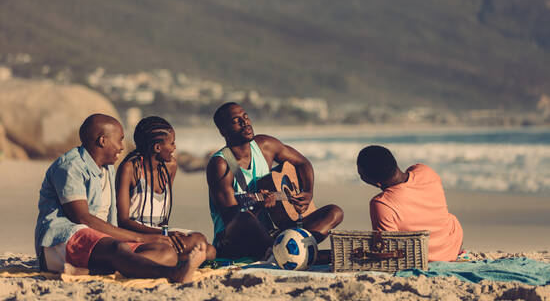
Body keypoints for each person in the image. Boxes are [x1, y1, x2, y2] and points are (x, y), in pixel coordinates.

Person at [34, 113, 205, 283]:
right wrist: (140, 237)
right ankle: (174, 274)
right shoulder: (71, 166)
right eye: (120, 139)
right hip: (63, 241)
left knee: (165, 253)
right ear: (103, 141)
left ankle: (86, 271)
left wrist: (149, 239)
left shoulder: (107, 168)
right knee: (118, 248)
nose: (122, 147)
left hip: (102, 241)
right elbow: (81, 218)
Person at [206, 102, 344, 259]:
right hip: (235, 241)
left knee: (334, 212)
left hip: (272, 234)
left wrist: (308, 192)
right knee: (244, 219)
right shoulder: (220, 164)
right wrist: (258, 206)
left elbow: (302, 163)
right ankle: (291, 252)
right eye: (236, 121)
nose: (245, 123)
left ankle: (284, 251)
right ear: (223, 130)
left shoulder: (266, 146)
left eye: (246, 117)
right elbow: (231, 219)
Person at [115, 116, 216, 261]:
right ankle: (166, 258)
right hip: (136, 235)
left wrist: (168, 235)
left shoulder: (170, 167)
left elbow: (163, 213)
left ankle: (167, 258)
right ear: (157, 147)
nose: (175, 147)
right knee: (199, 243)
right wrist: (164, 234)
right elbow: (123, 221)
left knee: (209, 250)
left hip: (160, 232)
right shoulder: (130, 169)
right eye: (172, 143)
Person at [356, 145, 463, 262]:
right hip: (452, 247)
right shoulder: (425, 171)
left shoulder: (382, 203)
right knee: (450, 217)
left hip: (423, 256)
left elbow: (389, 246)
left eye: (361, 175)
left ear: (377, 183)